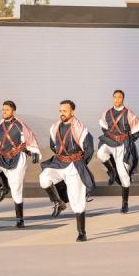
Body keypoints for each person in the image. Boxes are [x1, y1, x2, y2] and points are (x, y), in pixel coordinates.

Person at [40, 100, 95, 241]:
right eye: (60, 111)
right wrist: (62, 156)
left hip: (74, 165)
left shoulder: (80, 128)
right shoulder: (55, 127)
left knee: (77, 201)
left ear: (72, 111)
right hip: (59, 162)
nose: (62, 113)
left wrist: (80, 163)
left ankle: (81, 232)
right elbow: (53, 145)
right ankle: (59, 202)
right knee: (44, 178)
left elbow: (89, 149)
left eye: (64, 110)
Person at [0, 100, 41, 228]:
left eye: (7, 110)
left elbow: (30, 138)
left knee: (16, 189)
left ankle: (20, 219)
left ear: (13, 111)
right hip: (2, 157)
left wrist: (34, 152)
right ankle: (4, 187)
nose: (4, 112)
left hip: (17, 158)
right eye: (3, 109)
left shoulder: (20, 125)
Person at [96, 89, 139, 213]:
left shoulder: (129, 113)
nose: (117, 99)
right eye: (115, 97)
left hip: (122, 145)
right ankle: (112, 171)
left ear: (123, 99)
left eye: (120, 97)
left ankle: (125, 203)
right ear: (113, 98)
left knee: (124, 177)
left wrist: (128, 141)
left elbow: (137, 131)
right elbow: (103, 126)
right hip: (110, 141)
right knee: (100, 153)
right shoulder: (107, 112)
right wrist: (110, 136)